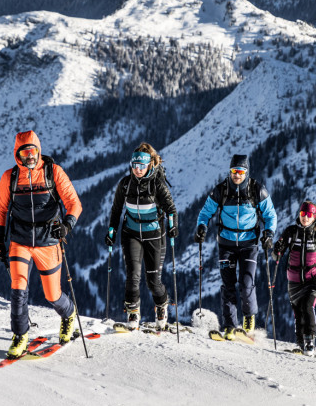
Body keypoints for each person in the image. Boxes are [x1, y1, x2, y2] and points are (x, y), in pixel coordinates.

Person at [0, 130, 82, 358]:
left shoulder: (53, 172)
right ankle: (20, 335)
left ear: (38, 151)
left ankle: (69, 314)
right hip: (20, 240)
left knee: (52, 295)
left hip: (48, 240)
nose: (30, 157)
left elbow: (73, 203)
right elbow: (1, 209)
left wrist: (66, 226)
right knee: (18, 289)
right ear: (18, 155)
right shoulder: (10, 178)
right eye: (25, 153)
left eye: (33, 151)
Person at [194, 154, 277, 339]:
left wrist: (269, 234)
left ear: (246, 172)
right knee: (228, 285)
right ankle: (230, 326)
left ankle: (248, 318)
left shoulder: (257, 190)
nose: (237, 175)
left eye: (241, 171)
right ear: (230, 171)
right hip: (226, 244)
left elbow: (270, 215)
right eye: (234, 171)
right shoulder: (221, 190)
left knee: (246, 284)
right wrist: (201, 227)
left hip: (249, 244)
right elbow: (205, 212)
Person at [105, 143, 178, 330]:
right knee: (133, 276)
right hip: (131, 234)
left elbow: (171, 210)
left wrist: (173, 227)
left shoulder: (157, 185)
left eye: (142, 166)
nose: (137, 170)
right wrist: (111, 231)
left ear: (149, 165)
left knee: (154, 282)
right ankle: (132, 314)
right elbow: (116, 210)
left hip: (154, 236)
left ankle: (161, 306)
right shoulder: (125, 184)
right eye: (134, 165)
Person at [271, 199, 316, 356]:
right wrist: (278, 249)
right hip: (294, 280)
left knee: (308, 306)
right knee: (297, 312)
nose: (305, 217)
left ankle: (310, 342)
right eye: (303, 213)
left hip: (314, 279)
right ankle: (300, 343)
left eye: (309, 214)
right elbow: (276, 255)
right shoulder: (291, 232)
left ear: (314, 216)